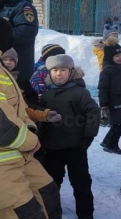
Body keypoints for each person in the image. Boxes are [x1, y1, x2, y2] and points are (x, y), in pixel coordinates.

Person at [0, 16, 62, 219]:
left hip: (16, 155)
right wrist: (31, 141)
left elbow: (17, 108)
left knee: (49, 194)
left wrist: (30, 129)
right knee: (26, 214)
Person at [37, 54, 99, 219]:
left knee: (81, 185)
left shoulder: (80, 93)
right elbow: (41, 120)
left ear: (71, 72)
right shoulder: (47, 96)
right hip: (52, 149)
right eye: (55, 70)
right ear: (49, 73)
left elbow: (93, 113)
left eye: (63, 70)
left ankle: (86, 215)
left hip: (75, 149)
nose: (59, 73)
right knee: (51, 184)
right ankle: (51, 214)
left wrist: (87, 138)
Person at [98, 37, 121, 154]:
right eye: (116, 56)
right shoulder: (107, 71)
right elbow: (103, 89)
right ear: (110, 58)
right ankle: (111, 144)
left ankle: (106, 141)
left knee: (120, 124)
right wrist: (103, 105)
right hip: (114, 101)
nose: (120, 58)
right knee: (118, 124)